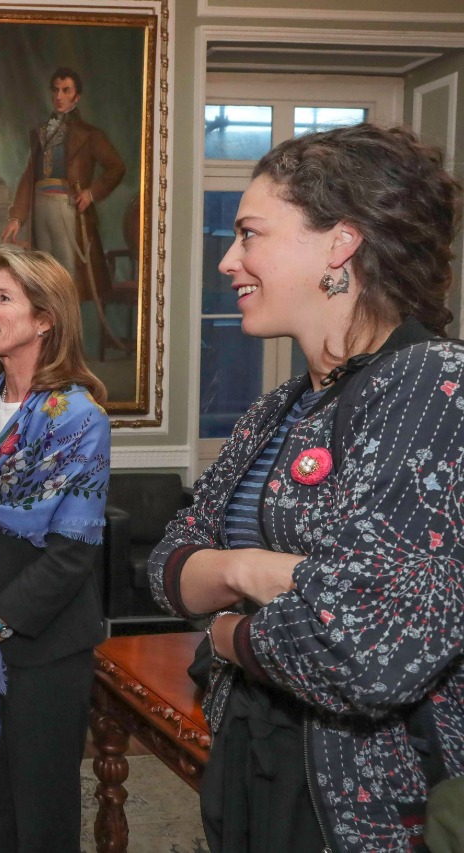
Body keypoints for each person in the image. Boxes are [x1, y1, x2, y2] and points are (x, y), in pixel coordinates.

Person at [148, 123, 464, 852]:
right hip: (249, 756)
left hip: (366, 804)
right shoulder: (276, 408)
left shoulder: (437, 386)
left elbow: (365, 647)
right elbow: (168, 567)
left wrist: (226, 630)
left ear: (339, 244)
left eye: (250, 233)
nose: (229, 260)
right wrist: (251, 568)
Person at [0, 248, 111, 851]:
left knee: (44, 812)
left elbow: (71, 553)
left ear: (45, 319)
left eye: (2, 297)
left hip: (44, 646)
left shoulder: (77, 417)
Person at [0, 67, 125, 306]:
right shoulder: (41, 133)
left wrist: (91, 193)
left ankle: (68, 335)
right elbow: (29, 176)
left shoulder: (89, 134)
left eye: (66, 90)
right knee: (43, 274)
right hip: (40, 207)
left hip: (66, 207)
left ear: (76, 97)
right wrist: (17, 217)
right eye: (56, 90)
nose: (59, 96)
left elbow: (116, 167)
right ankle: (50, 334)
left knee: (67, 273)